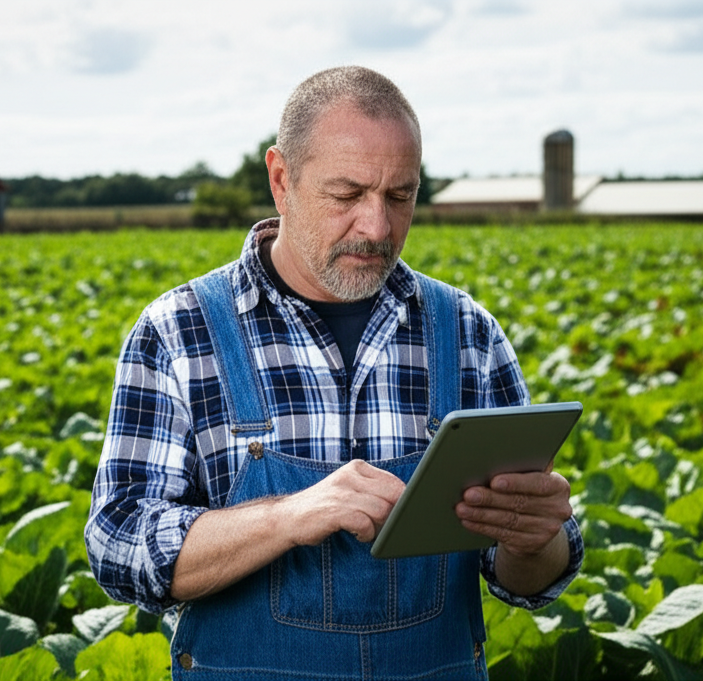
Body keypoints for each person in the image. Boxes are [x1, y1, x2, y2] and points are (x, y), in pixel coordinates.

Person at [85, 66, 582, 680]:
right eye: (346, 195)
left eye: (400, 196)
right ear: (281, 179)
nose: (376, 227)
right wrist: (287, 517)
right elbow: (118, 546)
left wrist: (534, 539)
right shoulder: (180, 331)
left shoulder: (467, 333)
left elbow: (524, 580)